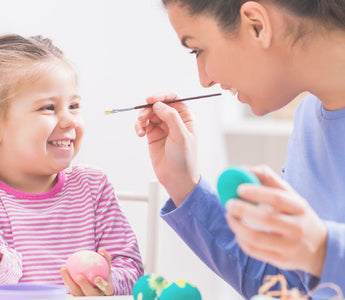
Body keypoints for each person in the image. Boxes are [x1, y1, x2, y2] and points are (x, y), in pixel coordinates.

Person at [135, 0, 345, 298]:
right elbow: (287, 287)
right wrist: (184, 184)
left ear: (256, 25)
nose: (204, 80)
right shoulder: (309, 121)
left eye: (198, 49)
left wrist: (324, 250)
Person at [0, 34, 143, 296]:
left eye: (74, 105)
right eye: (48, 107)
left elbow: (132, 269)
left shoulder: (92, 186)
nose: (69, 120)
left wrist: (109, 282)